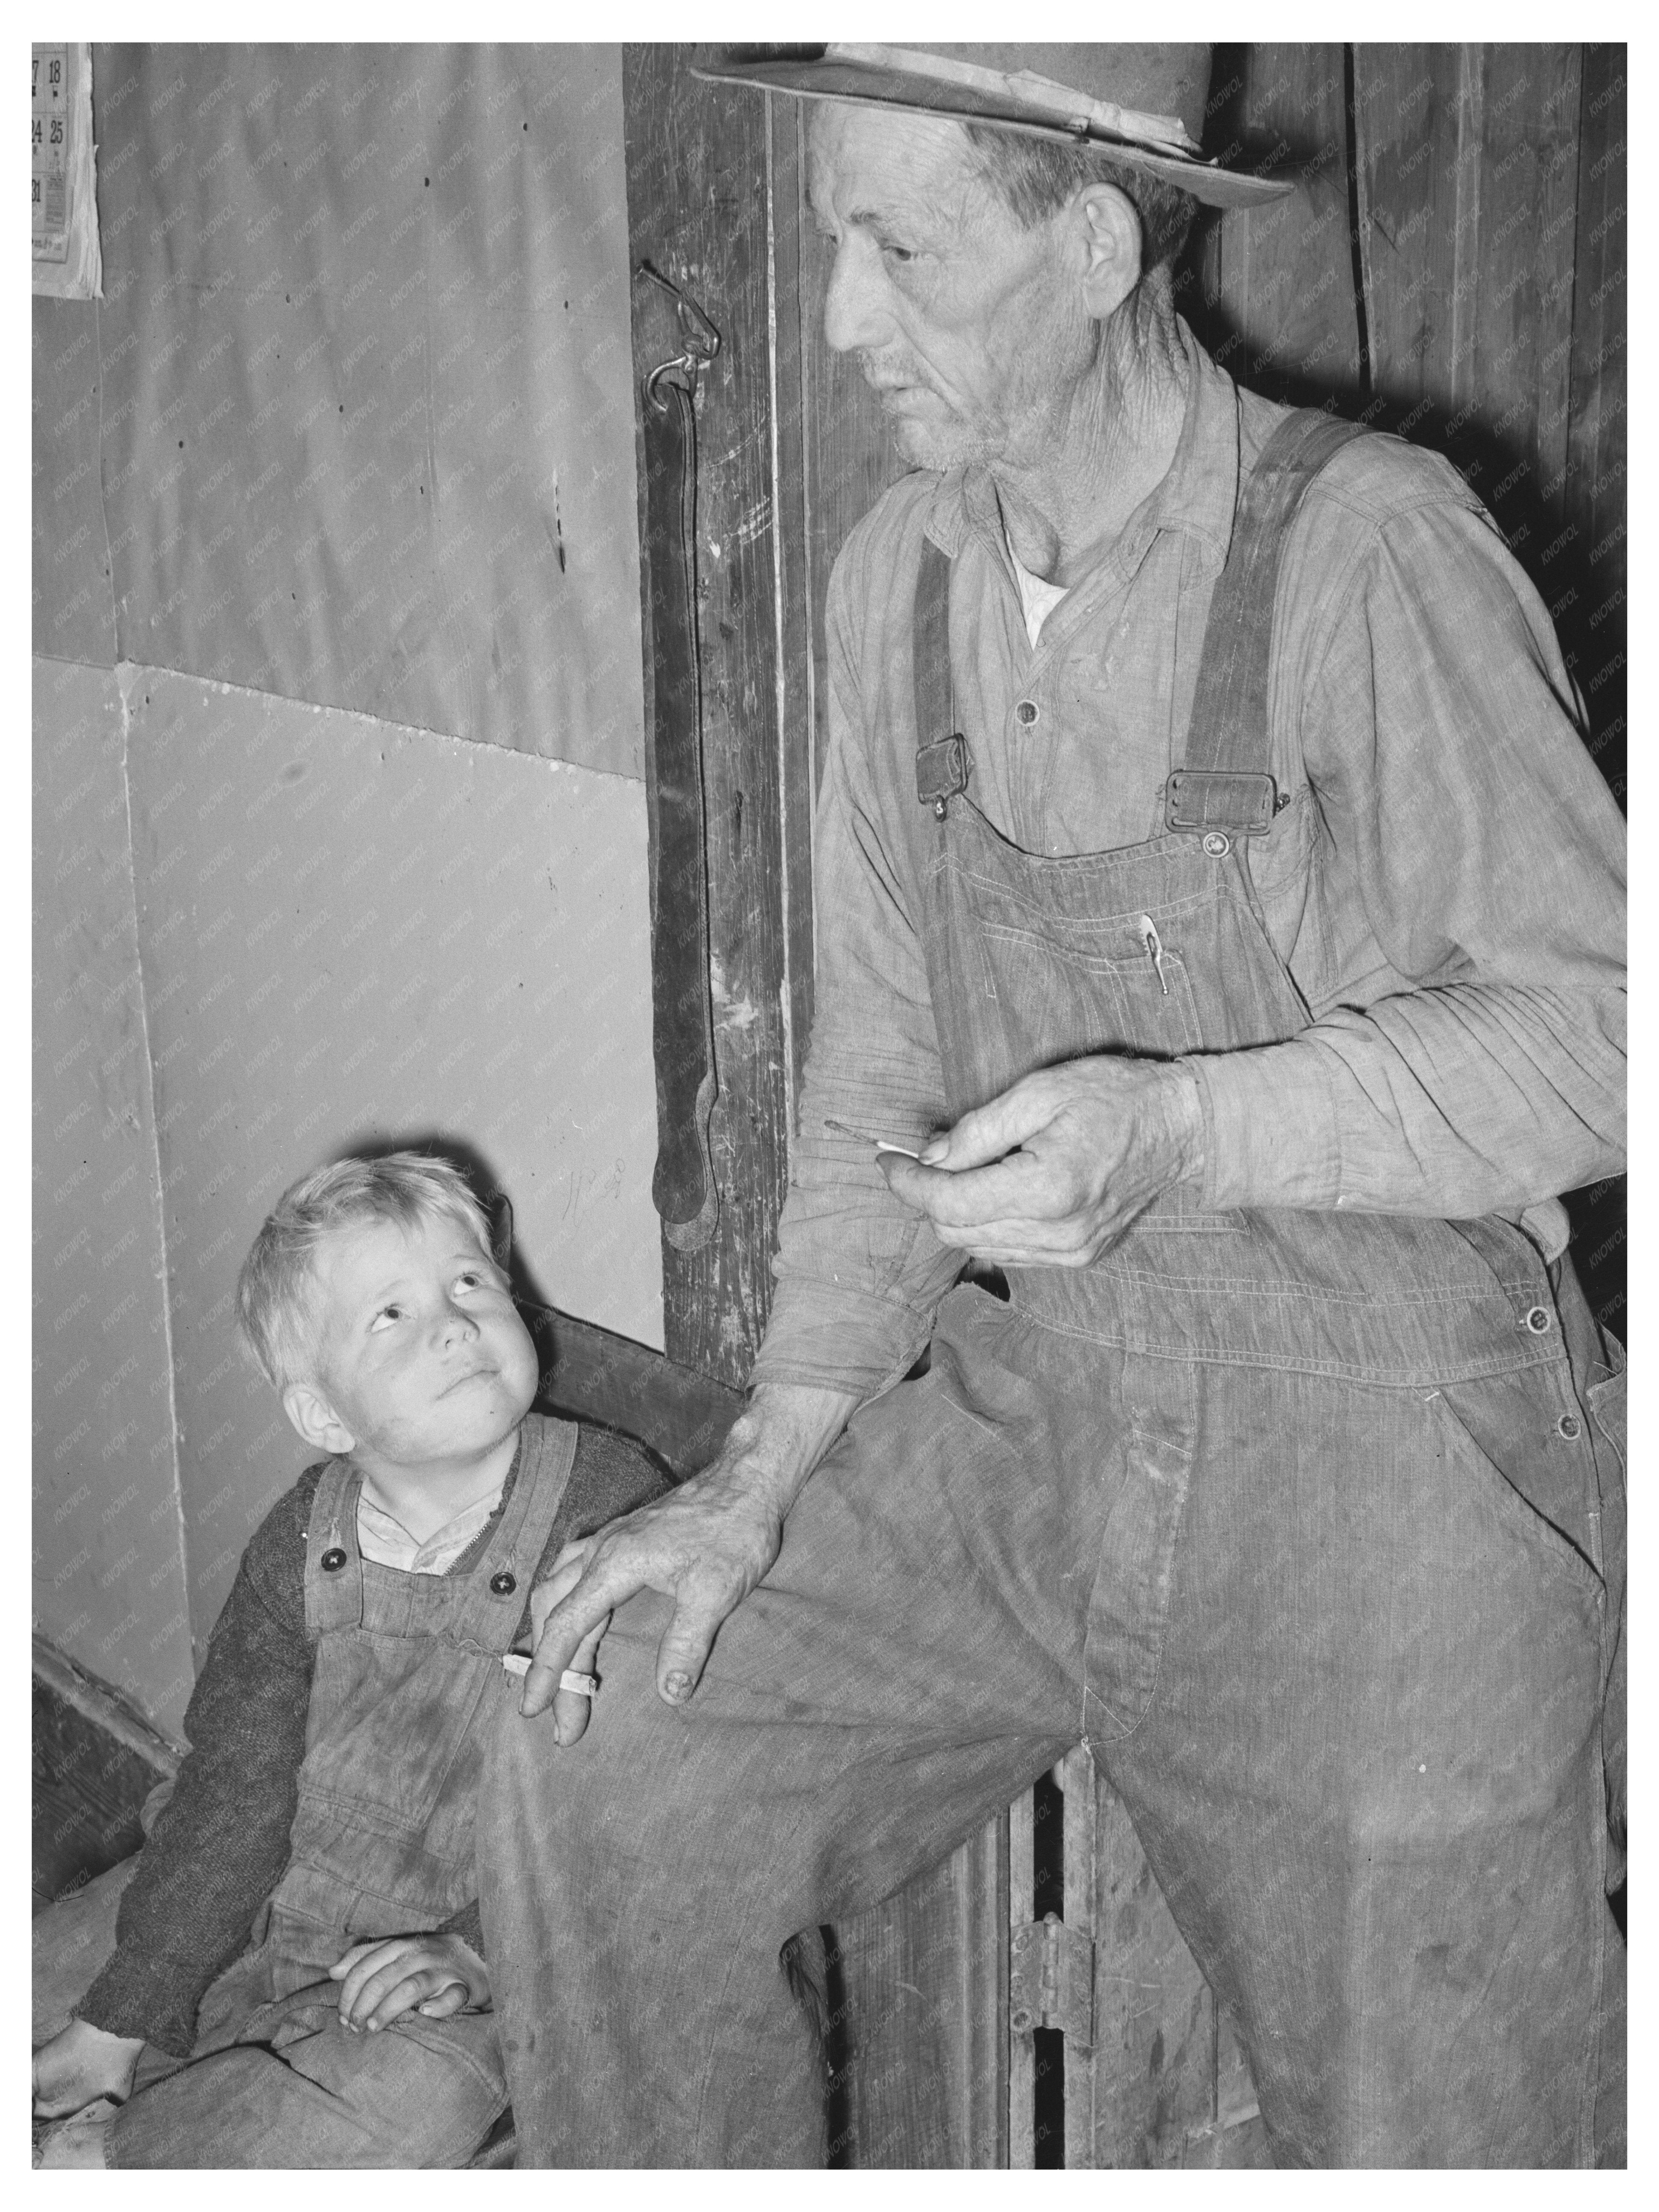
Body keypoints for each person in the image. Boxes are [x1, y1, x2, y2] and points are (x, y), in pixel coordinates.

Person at [482, 43, 1627, 2168]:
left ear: (1095, 247)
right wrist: (754, 1477)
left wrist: (1180, 1131)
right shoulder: (894, 583)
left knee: (1444, 2123)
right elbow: (875, 1082)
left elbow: (1603, 1040)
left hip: (1385, 1468)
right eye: (836, 241)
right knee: (608, 1747)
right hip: (1047, 1419)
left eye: (901, 252)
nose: (842, 313)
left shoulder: (1369, 548)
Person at [32, 1152, 667, 2168]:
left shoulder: (615, 1509)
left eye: (470, 1281)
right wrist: (128, 2007)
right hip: (259, 1890)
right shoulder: (299, 1540)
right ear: (326, 1416)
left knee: (413, 2101)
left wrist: (477, 1948)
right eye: (392, 1315)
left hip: (482, 1948)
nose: (454, 1324)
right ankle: (141, 2095)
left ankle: (117, 2156)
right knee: (61, 1973)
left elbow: (641, 1794)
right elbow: (234, 1787)